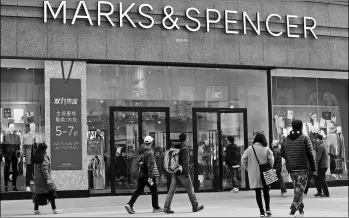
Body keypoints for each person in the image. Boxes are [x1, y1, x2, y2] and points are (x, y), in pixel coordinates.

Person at [281, 119, 317, 217]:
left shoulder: (285, 139)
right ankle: (293, 209)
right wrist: (314, 168)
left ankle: (301, 211)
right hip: (303, 169)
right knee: (300, 190)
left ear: (292, 127)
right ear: (301, 127)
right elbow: (310, 154)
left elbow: (282, 153)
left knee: (297, 190)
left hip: (291, 169)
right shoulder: (304, 138)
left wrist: (290, 158)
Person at [164, 133, 204, 214]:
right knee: (190, 190)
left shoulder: (176, 147)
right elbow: (185, 162)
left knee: (171, 191)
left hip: (176, 172)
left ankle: (166, 207)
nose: (188, 139)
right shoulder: (185, 148)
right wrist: (187, 174)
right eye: (188, 137)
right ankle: (195, 207)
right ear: (185, 139)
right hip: (182, 173)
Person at [125, 136, 163, 214]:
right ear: (151, 142)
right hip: (148, 175)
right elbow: (150, 165)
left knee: (139, 190)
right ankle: (156, 207)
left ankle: (129, 204)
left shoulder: (141, 151)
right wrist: (150, 177)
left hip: (141, 174)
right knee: (154, 191)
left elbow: (140, 162)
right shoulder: (149, 152)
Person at [242, 133, 274, 217]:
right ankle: (268, 209)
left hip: (254, 174)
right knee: (266, 192)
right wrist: (270, 167)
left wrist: (248, 168)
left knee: (257, 193)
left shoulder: (249, 149)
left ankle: (261, 212)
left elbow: (243, 159)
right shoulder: (266, 149)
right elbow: (271, 160)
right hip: (265, 173)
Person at [32, 143, 62, 215]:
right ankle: (54, 209)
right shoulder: (44, 158)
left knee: (38, 194)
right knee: (52, 193)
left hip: (38, 179)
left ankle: (36, 210)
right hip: (44, 180)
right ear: (44, 149)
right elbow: (45, 170)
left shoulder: (36, 157)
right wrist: (48, 179)